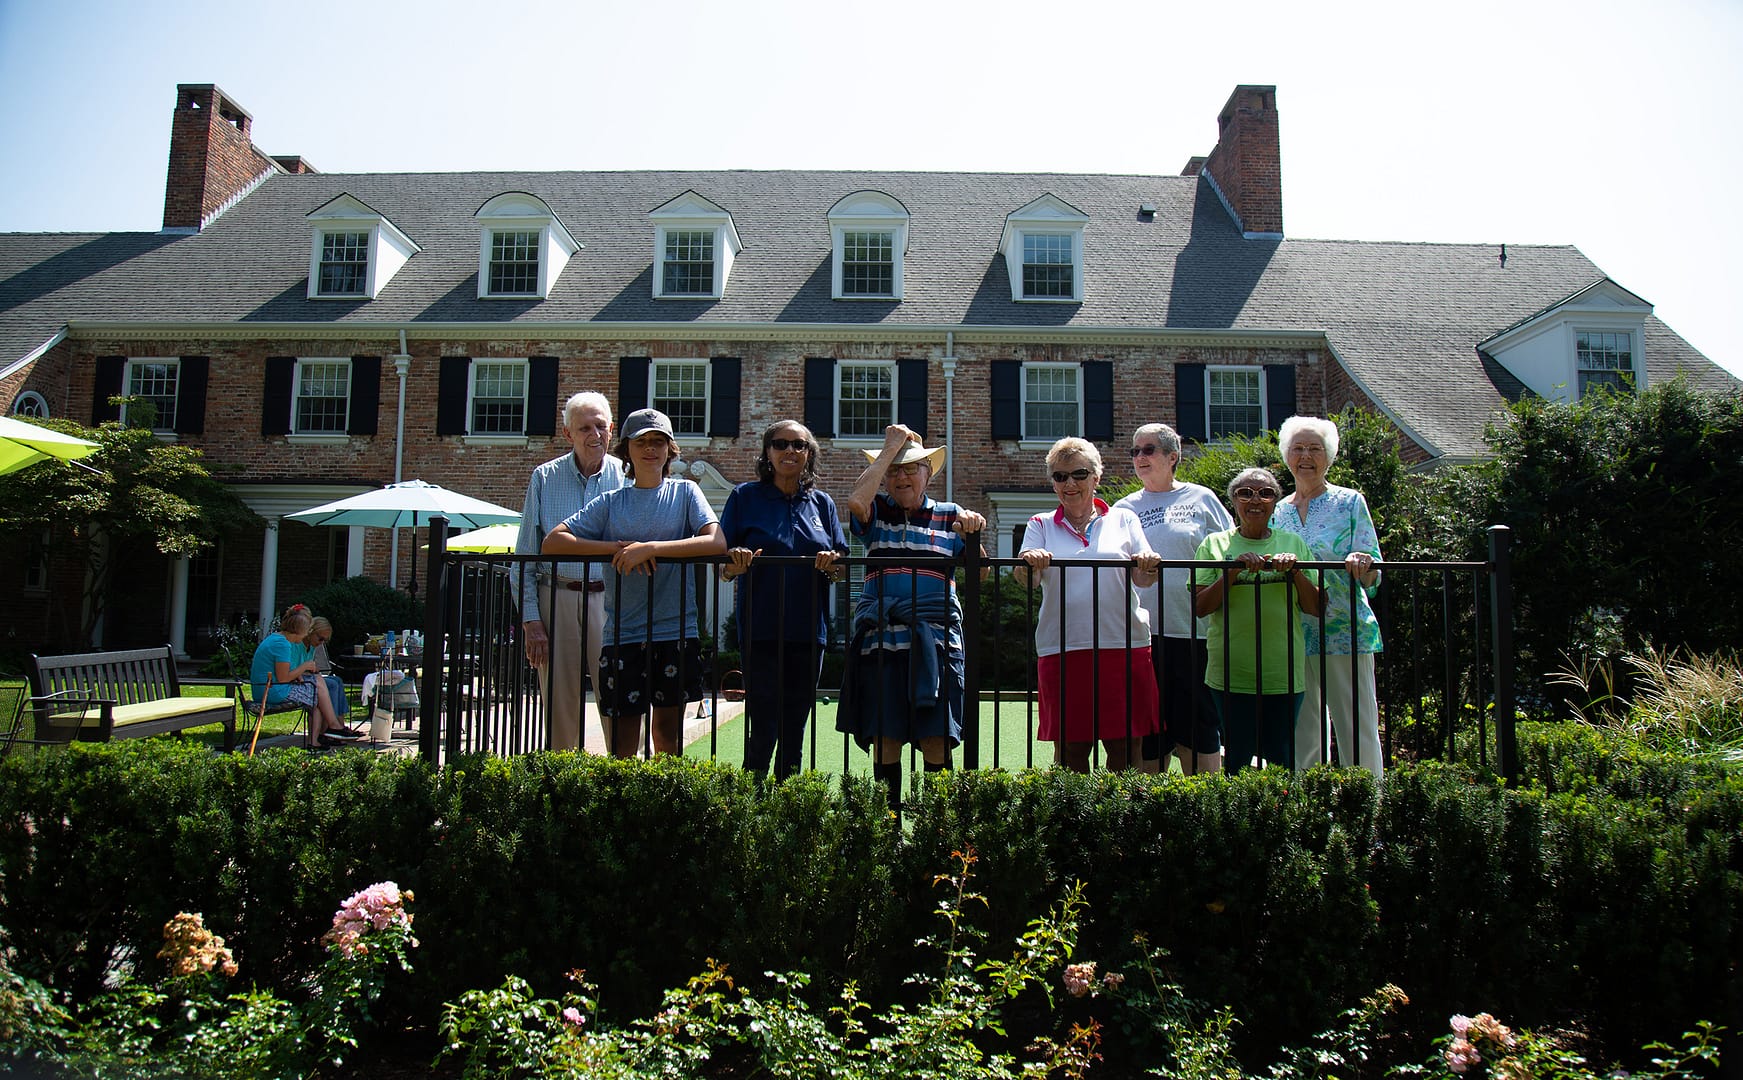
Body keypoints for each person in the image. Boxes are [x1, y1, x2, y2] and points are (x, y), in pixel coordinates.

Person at [543, 408, 724, 758]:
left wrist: (652, 549)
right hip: (623, 634)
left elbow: (716, 542)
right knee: (624, 743)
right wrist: (615, 548)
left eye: (658, 441)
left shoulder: (685, 493)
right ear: (627, 450)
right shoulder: (612, 503)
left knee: (668, 739)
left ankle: (663, 810)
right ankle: (625, 812)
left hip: (675, 631)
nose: (650, 449)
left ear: (670, 450)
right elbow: (553, 541)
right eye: (642, 442)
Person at [838, 424, 985, 812]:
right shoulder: (878, 510)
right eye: (894, 470)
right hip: (882, 646)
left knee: (936, 738)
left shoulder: (952, 514)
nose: (901, 476)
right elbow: (855, 503)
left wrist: (973, 536)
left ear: (928, 474)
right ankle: (887, 835)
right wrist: (889, 449)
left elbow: (980, 574)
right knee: (886, 739)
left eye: (911, 468)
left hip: (936, 647)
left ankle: (938, 836)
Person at [1016, 438, 1162, 772]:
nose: (1070, 484)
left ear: (1096, 478)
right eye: (1060, 477)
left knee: (1125, 749)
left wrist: (1147, 564)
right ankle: (1072, 823)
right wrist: (1029, 564)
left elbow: (1144, 579)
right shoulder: (1039, 524)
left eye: (1079, 474)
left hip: (1123, 644)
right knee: (1071, 751)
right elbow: (1027, 581)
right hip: (1062, 647)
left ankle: (1120, 824)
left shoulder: (1124, 519)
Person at [720, 420, 848, 780]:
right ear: (767, 452)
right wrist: (737, 563)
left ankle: (787, 814)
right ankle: (753, 806)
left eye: (799, 445)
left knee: (795, 728)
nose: (789, 450)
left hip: (808, 631)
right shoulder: (745, 498)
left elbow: (840, 566)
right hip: (761, 628)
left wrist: (831, 564)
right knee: (763, 726)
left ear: (809, 455)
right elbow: (723, 568)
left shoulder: (821, 504)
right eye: (780, 444)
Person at [1114, 423, 1235, 774]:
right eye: (1134, 451)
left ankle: (1205, 815)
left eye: (1148, 450)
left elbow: (1227, 550)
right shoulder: (1124, 509)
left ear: (1173, 456)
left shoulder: (1202, 499)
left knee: (1198, 733)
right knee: (1149, 736)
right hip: (1142, 637)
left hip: (1194, 633)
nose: (1140, 458)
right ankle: (1151, 818)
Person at [1272, 415, 1386, 779]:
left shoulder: (1349, 502)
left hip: (1345, 629)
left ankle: (1368, 805)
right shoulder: (1276, 511)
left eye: (1315, 449)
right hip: (1293, 631)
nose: (1306, 456)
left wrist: (1361, 561)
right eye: (1298, 448)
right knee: (1303, 728)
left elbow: (1374, 572)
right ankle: (1309, 807)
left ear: (1329, 456)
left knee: (1356, 724)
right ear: (1287, 456)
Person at [516, 391, 628, 751]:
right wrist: (532, 621)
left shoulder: (629, 477)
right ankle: (565, 787)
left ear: (612, 429)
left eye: (601, 426)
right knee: (559, 707)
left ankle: (625, 784)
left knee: (621, 699)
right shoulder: (544, 478)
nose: (594, 434)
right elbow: (524, 557)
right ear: (568, 434)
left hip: (614, 600)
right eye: (584, 428)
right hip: (557, 596)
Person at [1192, 468, 1322, 773]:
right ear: (1233, 502)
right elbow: (1199, 607)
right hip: (1230, 675)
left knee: (1281, 759)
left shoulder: (1293, 544)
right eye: (1245, 493)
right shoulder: (1214, 545)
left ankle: (1279, 820)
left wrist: (1296, 571)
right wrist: (1233, 571)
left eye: (1265, 493)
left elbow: (1316, 606)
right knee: (1236, 759)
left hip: (1283, 675)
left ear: (1275, 502)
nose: (1255, 500)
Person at [249, 604, 357, 750]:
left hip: (270, 688)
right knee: (317, 688)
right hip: (272, 692)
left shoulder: (277, 639)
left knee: (317, 691)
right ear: (300, 631)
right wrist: (304, 667)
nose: (305, 636)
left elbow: (284, 674)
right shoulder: (283, 645)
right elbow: (283, 678)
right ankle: (333, 726)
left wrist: (299, 673)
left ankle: (318, 739)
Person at [301, 614, 351, 726]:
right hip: (298, 680)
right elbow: (295, 668)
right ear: (311, 632)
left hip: (307, 676)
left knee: (337, 680)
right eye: (320, 638)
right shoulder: (299, 644)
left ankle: (340, 723)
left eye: (325, 640)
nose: (321, 642)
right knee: (331, 684)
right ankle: (331, 726)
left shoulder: (312, 646)